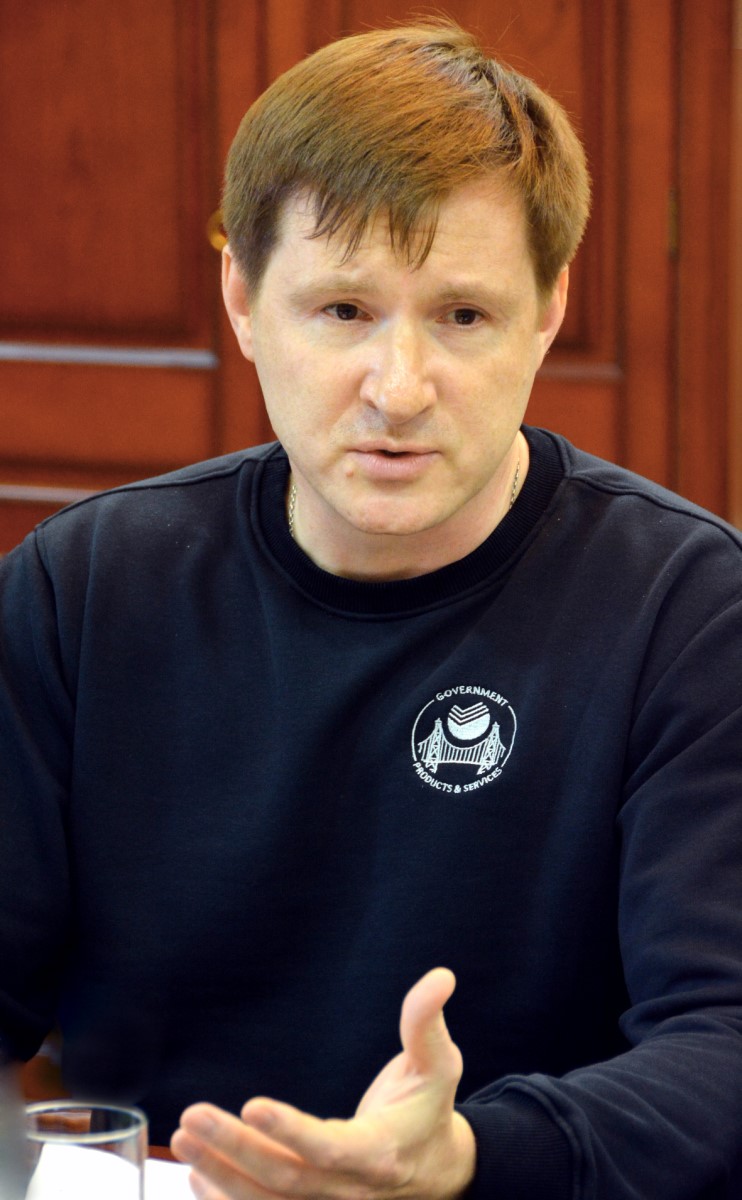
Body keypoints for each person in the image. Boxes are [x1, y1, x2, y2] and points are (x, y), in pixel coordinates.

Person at [1, 19, 741, 1200]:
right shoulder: (80, 588)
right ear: (243, 300)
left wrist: (467, 1158)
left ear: (549, 308)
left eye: (462, 316)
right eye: (343, 310)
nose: (398, 391)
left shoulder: (689, 608)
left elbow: (723, 1042)